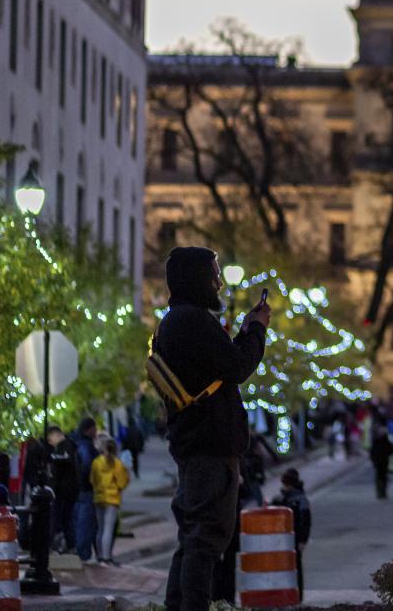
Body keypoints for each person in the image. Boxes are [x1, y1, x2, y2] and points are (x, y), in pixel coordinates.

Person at [158, 247, 270, 611]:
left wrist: (245, 331)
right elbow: (237, 367)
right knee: (205, 538)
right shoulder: (192, 321)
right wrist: (256, 330)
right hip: (209, 445)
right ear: (196, 278)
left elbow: (222, 366)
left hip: (198, 443)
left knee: (193, 538)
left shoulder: (178, 320)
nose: (219, 283)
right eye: (213, 274)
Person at [270, 469, 311, 601]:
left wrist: (302, 540)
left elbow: (305, 521)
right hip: (286, 538)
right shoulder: (284, 499)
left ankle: (296, 595)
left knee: (294, 566)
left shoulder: (297, 499)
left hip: (293, 538)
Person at [90, 436, 130, 566]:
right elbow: (122, 482)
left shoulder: (96, 462)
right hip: (112, 499)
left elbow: (92, 480)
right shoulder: (118, 465)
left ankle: (100, 556)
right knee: (108, 529)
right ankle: (107, 557)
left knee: (100, 529)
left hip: (99, 498)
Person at [72, 417, 100, 563]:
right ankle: (84, 552)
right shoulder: (85, 445)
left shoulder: (80, 443)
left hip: (82, 488)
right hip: (86, 489)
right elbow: (87, 466)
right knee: (86, 522)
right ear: (89, 429)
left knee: (84, 521)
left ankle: (86, 551)